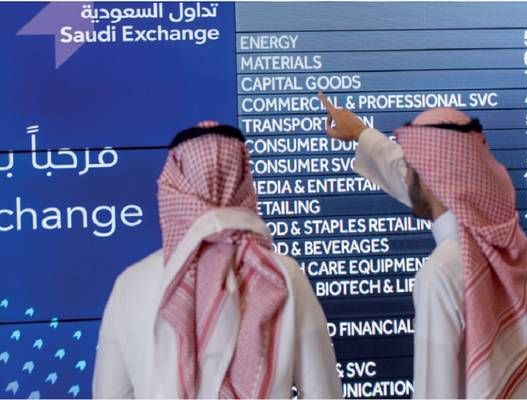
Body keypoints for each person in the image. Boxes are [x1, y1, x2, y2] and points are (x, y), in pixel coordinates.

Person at [318, 93, 527, 398]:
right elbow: (417, 181)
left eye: (411, 166)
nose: (406, 176)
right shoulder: (506, 247)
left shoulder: (441, 274)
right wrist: (361, 133)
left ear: (432, 179)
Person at [93, 121, 342, 399]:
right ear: (244, 181)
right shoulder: (284, 276)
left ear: (174, 186)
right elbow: (323, 393)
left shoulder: (131, 283)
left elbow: (109, 394)